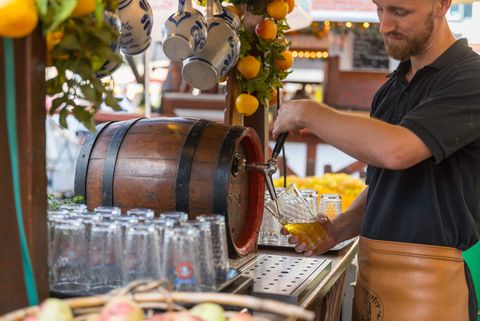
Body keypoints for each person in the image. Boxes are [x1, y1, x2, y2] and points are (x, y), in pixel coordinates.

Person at [272, 0, 480, 320]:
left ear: (441, 5)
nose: (384, 25)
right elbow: (385, 185)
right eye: (379, 9)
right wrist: (337, 229)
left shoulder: (470, 78)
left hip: (432, 288)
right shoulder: (389, 90)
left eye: (399, 11)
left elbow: (397, 151)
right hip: (373, 281)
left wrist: (308, 112)